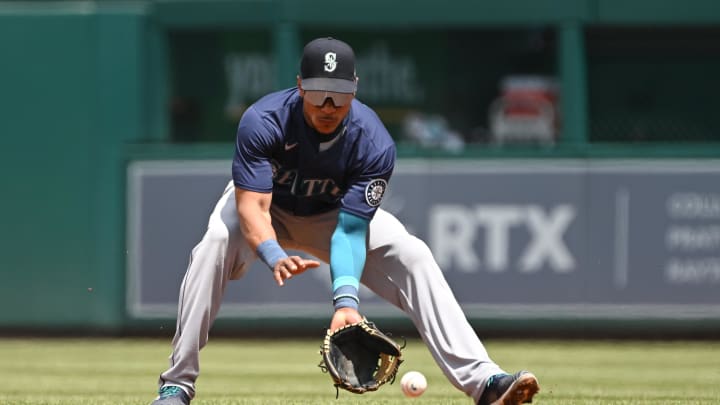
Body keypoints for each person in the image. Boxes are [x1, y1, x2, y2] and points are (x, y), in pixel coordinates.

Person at [150, 37, 540, 405]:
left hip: (330, 216)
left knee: (414, 254)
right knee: (215, 241)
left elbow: (351, 229)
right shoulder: (264, 121)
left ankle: (484, 381)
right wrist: (270, 252)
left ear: (355, 87)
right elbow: (252, 207)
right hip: (269, 210)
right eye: (319, 92)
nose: (329, 104)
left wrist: (346, 303)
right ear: (300, 86)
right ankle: (176, 386)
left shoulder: (372, 141)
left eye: (339, 93)